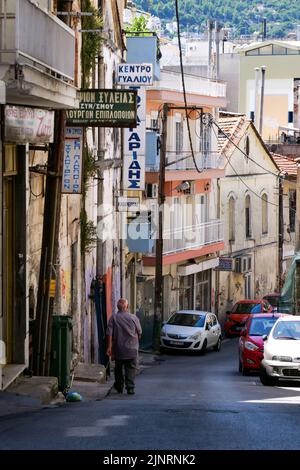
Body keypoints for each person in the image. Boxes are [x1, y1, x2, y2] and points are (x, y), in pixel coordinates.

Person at [106, 298, 142, 395]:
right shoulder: (134, 318)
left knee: (118, 368)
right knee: (131, 368)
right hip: (132, 349)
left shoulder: (113, 317)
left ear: (117, 307)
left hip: (119, 349)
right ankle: (130, 387)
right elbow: (139, 333)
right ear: (127, 306)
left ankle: (119, 387)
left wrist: (109, 347)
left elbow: (109, 333)